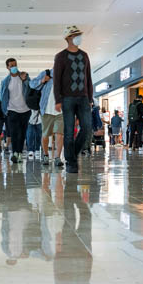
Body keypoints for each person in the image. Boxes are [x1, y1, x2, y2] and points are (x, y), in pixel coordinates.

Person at [52, 25, 94, 174]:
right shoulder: (61, 56)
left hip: (83, 98)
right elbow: (56, 80)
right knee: (68, 131)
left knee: (87, 128)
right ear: (68, 38)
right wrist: (58, 99)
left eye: (79, 34)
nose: (78, 37)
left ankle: (72, 155)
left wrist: (90, 97)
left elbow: (88, 77)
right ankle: (71, 162)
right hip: (67, 99)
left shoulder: (84, 55)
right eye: (75, 35)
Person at [0, 57, 31, 163]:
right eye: (11, 65)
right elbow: (2, 96)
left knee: (22, 133)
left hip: (25, 110)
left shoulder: (24, 76)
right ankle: (14, 153)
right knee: (13, 132)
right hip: (12, 109)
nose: (14, 67)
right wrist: (5, 110)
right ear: (7, 67)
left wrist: (25, 80)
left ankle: (20, 153)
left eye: (15, 64)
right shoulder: (5, 81)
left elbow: (31, 88)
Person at [31, 68, 64, 168]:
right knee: (45, 134)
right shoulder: (46, 73)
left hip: (61, 111)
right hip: (47, 110)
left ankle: (57, 157)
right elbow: (32, 84)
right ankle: (45, 155)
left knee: (60, 134)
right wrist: (42, 80)